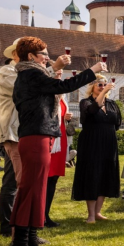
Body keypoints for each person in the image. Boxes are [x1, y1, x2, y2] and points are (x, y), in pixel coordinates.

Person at [9, 37, 101, 246]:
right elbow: (64, 86)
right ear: (31, 57)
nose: (47, 58)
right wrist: (92, 71)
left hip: (40, 136)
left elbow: (54, 86)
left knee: (37, 189)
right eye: (43, 54)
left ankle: (30, 240)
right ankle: (20, 245)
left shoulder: (32, 75)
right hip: (35, 137)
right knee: (30, 189)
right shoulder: (30, 74)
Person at [72, 74, 121, 224]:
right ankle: (91, 215)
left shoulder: (112, 103)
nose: (102, 87)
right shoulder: (85, 102)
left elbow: (117, 122)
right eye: (99, 84)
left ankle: (98, 212)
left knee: (105, 174)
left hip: (108, 142)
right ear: (92, 86)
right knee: (92, 175)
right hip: (91, 143)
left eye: (104, 84)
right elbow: (92, 111)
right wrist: (103, 93)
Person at [0, 38, 22, 237]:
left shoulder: (21, 72)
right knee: (12, 181)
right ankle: (7, 225)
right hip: (13, 132)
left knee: (15, 179)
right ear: (15, 55)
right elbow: (24, 90)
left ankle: (14, 223)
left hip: (21, 131)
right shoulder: (8, 71)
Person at [43, 71, 70, 228]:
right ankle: (40, 215)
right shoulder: (47, 93)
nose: (59, 76)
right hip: (50, 139)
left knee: (53, 179)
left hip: (60, 139)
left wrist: (66, 117)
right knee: (45, 179)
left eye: (60, 74)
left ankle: (46, 214)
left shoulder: (61, 95)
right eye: (56, 74)